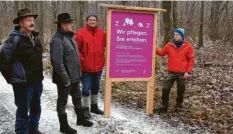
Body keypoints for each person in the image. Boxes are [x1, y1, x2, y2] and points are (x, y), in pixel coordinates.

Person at [0, 8, 44, 134]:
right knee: (23, 111)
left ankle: (33, 130)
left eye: (32, 20)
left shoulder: (35, 38)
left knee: (36, 108)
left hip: (37, 82)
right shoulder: (13, 40)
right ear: (20, 23)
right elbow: (3, 63)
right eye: (28, 20)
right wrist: (13, 79)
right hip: (23, 84)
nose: (32, 22)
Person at [50, 13, 93, 134]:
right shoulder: (57, 40)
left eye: (71, 22)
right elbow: (57, 63)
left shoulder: (70, 37)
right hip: (65, 79)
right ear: (62, 25)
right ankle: (63, 126)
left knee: (77, 98)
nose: (71, 24)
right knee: (62, 102)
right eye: (69, 23)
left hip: (74, 77)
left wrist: (77, 75)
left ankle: (80, 119)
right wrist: (65, 79)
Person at [155, 28, 195, 113]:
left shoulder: (188, 46)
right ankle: (164, 106)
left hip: (182, 73)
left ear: (182, 36)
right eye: (175, 34)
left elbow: (191, 59)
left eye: (177, 35)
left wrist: (188, 72)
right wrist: (153, 48)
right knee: (165, 88)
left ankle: (178, 106)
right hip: (171, 72)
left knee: (181, 91)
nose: (175, 36)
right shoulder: (169, 45)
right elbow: (161, 53)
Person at [75, 12, 106, 119]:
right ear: (87, 21)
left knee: (95, 87)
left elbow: (108, 45)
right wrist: (82, 60)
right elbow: (76, 49)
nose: (92, 21)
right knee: (85, 89)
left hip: (98, 66)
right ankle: (85, 109)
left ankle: (94, 106)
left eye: (94, 20)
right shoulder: (80, 33)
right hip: (85, 67)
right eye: (90, 20)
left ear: (97, 21)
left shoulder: (102, 34)